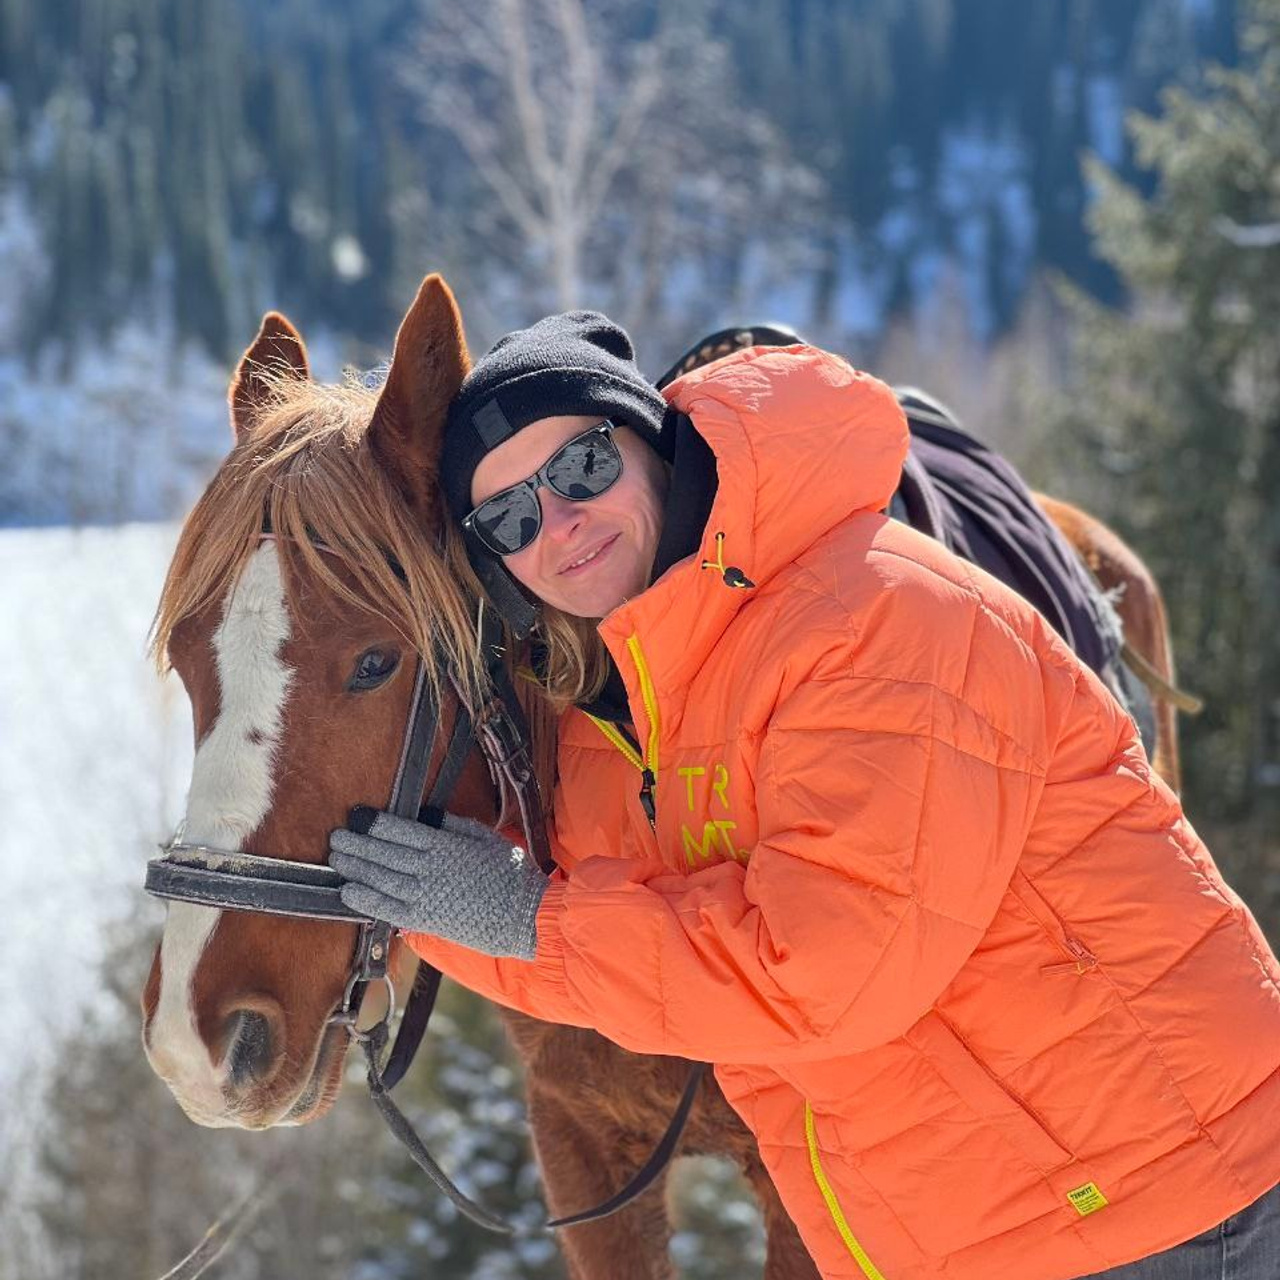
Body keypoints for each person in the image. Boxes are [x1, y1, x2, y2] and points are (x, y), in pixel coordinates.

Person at [329, 312, 1280, 1280]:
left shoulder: (867, 616)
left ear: (646, 440)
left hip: (1163, 1195)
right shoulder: (619, 717)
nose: (559, 524)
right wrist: (439, 904)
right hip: (997, 1223)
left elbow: (817, 977)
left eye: (577, 470)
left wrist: (523, 919)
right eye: (512, 518)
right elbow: (600, 940)